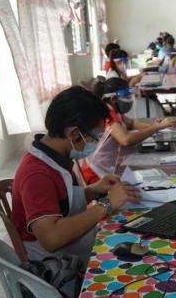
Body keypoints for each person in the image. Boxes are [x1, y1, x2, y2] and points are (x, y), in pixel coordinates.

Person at [12, 86, 140, 265]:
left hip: (70, 248)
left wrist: (93, 191)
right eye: (94, 138)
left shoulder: (54, 155)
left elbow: (61, 203)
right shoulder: (36, 174)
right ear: (73, 133)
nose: (94, 144)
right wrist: (106, 203)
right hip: (55, 266)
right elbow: (52, 238)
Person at [81, 78, 176, 184]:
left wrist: (156, 126)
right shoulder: (107, 115)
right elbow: (126, 140)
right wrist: (155, 128)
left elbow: (131, 123)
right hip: (97, 174)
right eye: (126, 97)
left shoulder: (113, 110)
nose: (129, 100)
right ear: (113, 99)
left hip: (107, 166)